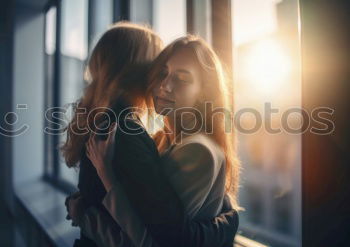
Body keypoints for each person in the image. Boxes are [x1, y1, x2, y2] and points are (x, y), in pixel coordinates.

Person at [62, 24, 239, 247]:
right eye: (161, 72)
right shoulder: (133, 132)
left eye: (182, 78)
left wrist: (228, 220)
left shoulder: (189, 147)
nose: (164, 85)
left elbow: (161, 237)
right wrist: (228, 220)